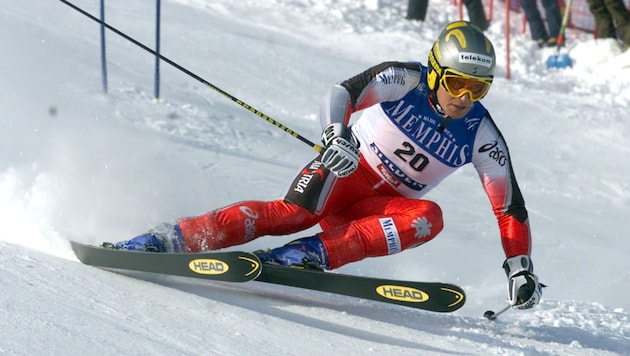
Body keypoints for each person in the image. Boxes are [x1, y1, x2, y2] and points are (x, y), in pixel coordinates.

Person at [111, 21, 543, 310]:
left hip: (375, 211)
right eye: (456, 83)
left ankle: (305, 256)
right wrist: (336, 134)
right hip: (345, 170)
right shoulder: (405, 79)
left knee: (429, 218)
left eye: (478, 89)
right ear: (434, 72)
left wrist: (519, 267)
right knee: (289, 214)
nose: (465, 97)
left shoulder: (481, 134)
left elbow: (509, 208)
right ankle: (164, 240)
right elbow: (343, 92)